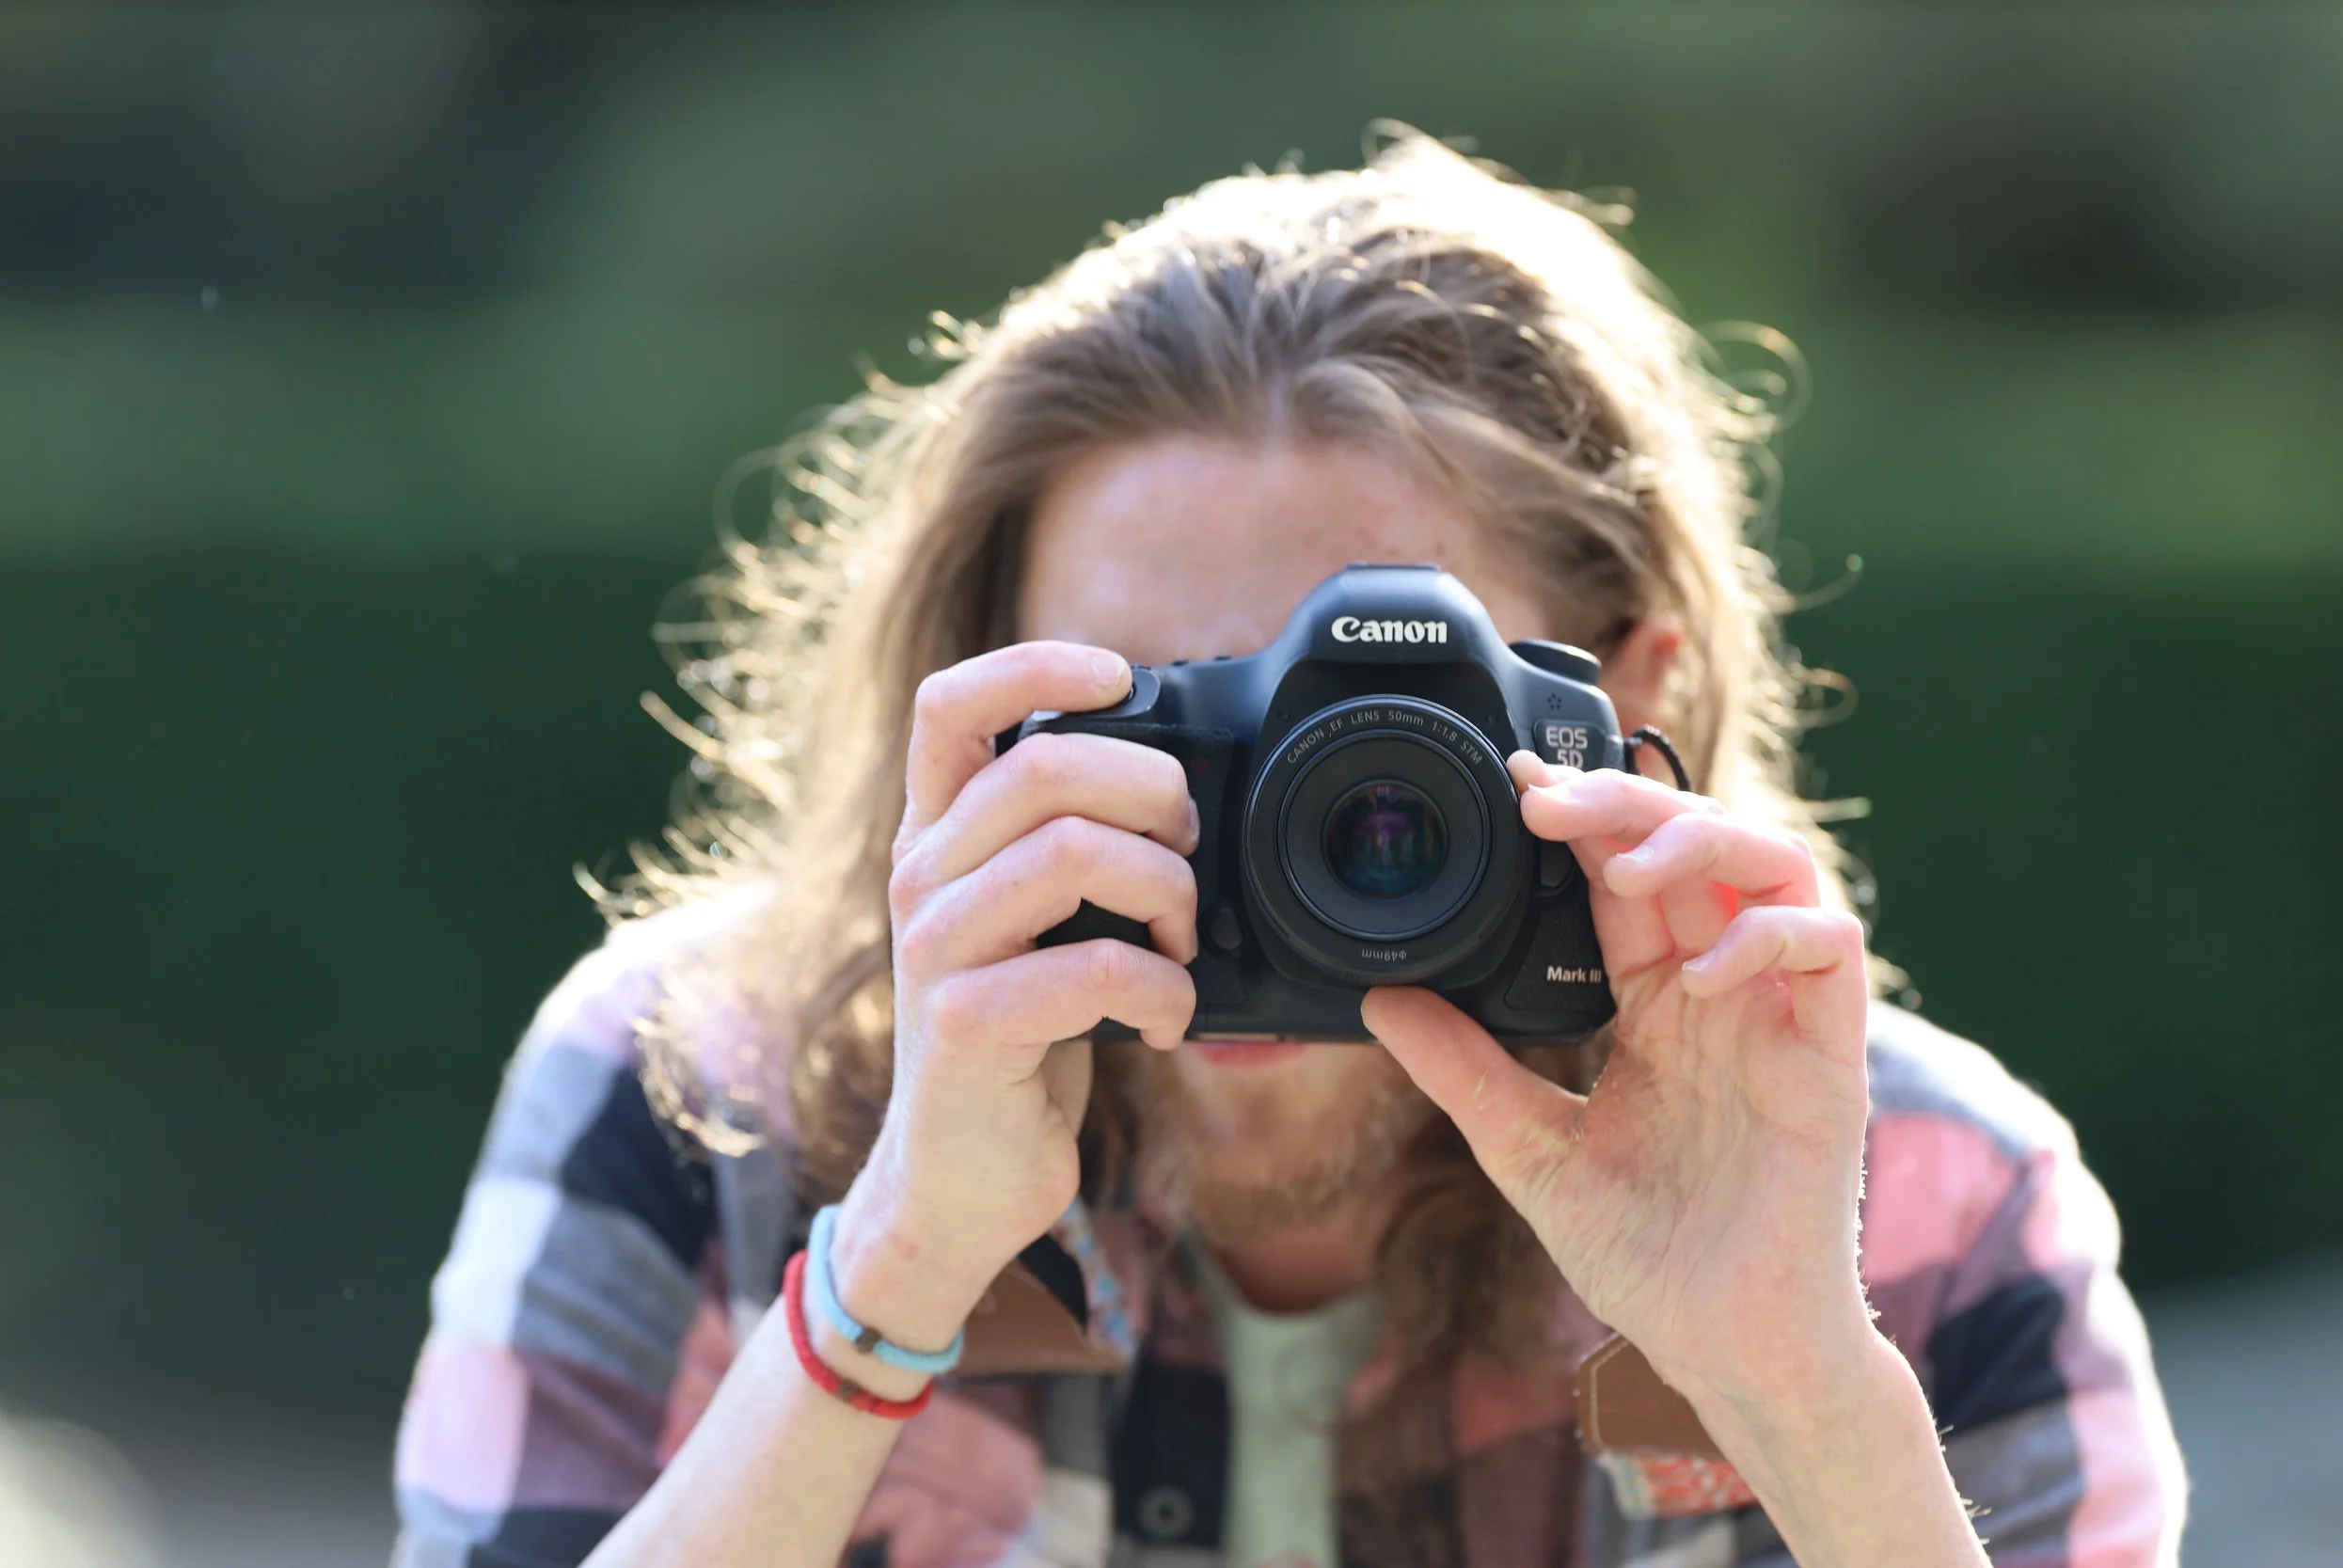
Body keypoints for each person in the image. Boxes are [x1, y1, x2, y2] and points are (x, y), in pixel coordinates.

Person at [390, 134, 2186, 1568]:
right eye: (1167, 728)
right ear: (983, 703)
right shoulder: (694, 1103)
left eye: (1373, 743)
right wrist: (890, 1273)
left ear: (1624, 709)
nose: (1260, 834)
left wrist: (1801, 1391)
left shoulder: (1932, 1214)